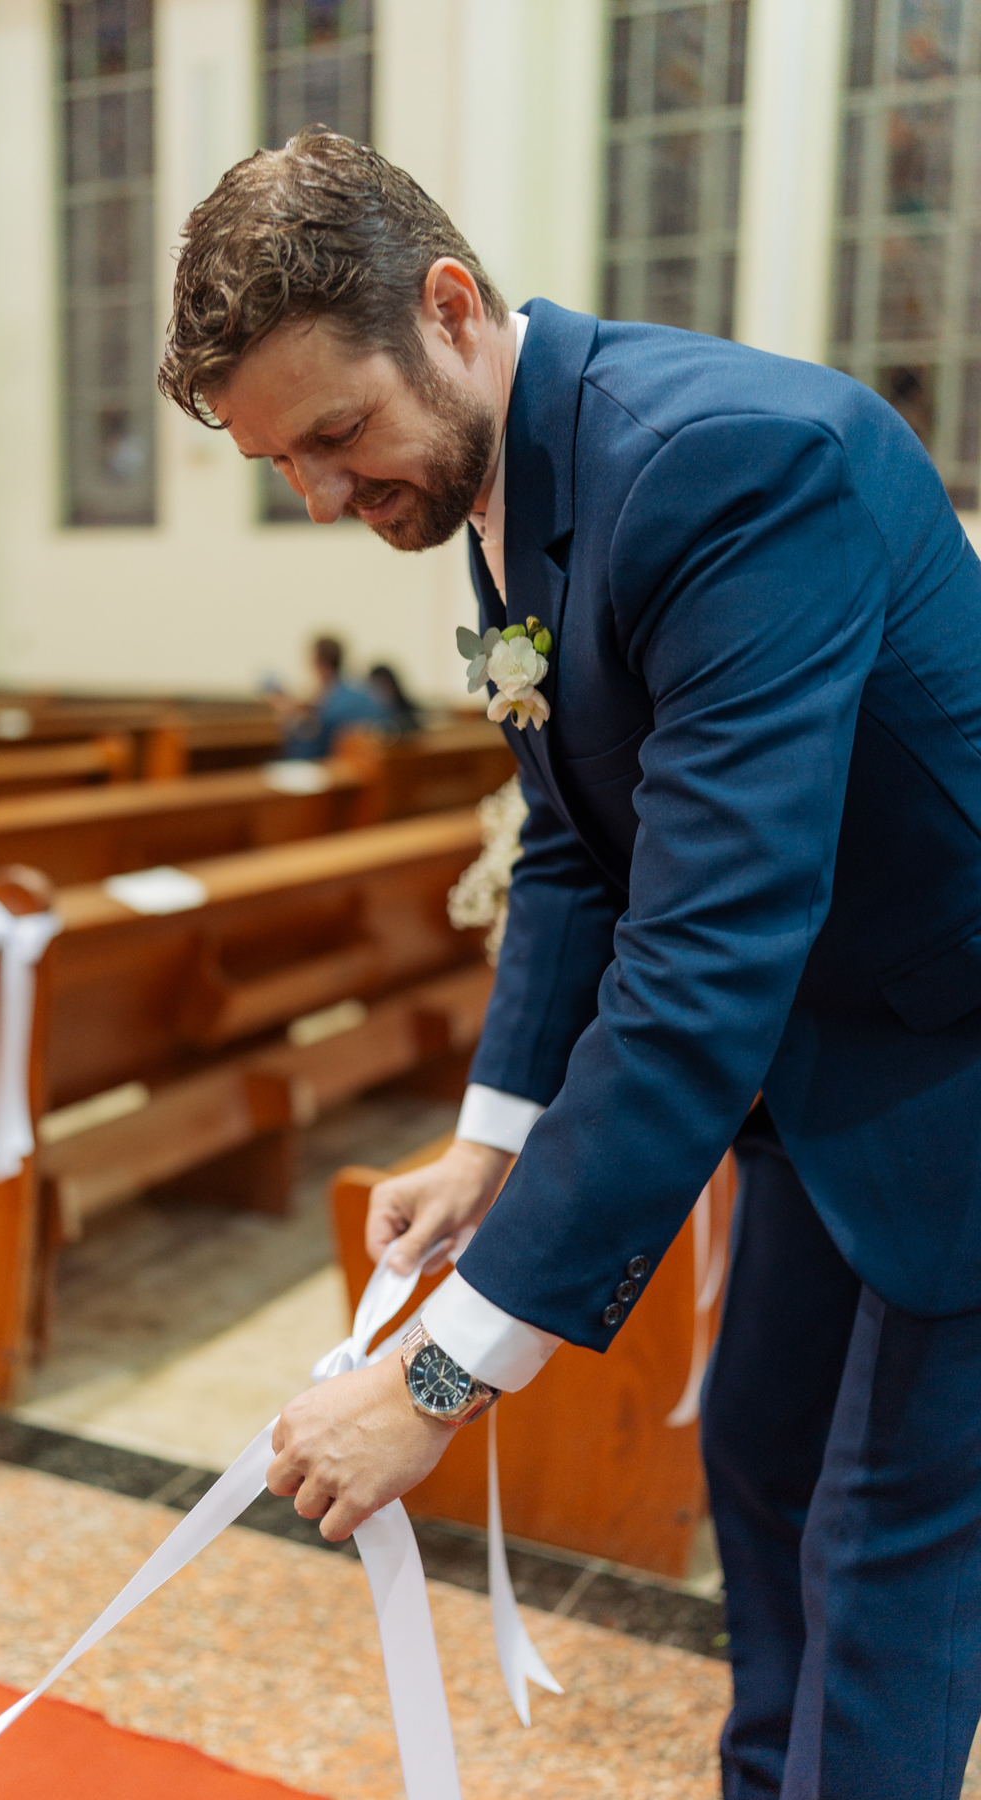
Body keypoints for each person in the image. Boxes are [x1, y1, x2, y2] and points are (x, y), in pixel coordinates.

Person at [158, 127, 981, 1798]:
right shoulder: (507, 481)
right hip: (822, 1067)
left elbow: (702, 952)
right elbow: (571, 838)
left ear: (449, 307)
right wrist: (489, 1140)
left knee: (882, 1541)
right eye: (284, 467)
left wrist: (445, 1373)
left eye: (334, 436)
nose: (323, 498)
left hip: (948, 1064)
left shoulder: (731, 465)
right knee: (757, 1467)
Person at [275, 633, 389, 759]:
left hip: (336, 769)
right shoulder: (366, 695)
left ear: (319, 663)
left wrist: (291, 721)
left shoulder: (332, 708)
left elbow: (306, 753)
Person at [366, 662, 420, 734]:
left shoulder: (408, 715)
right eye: (373, 687)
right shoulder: (371, 715)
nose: (378, 691)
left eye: (382, 686)